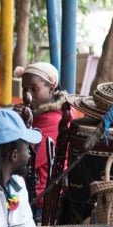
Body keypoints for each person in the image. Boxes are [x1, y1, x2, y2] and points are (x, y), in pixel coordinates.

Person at [17, 61, 70, 209]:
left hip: (41, 199)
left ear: (51, 89)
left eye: (34, 89)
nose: (28, 96)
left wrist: (18, 124)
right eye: (24, 89)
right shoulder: (41, 115)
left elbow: (23, 159)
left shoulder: (53, 120)